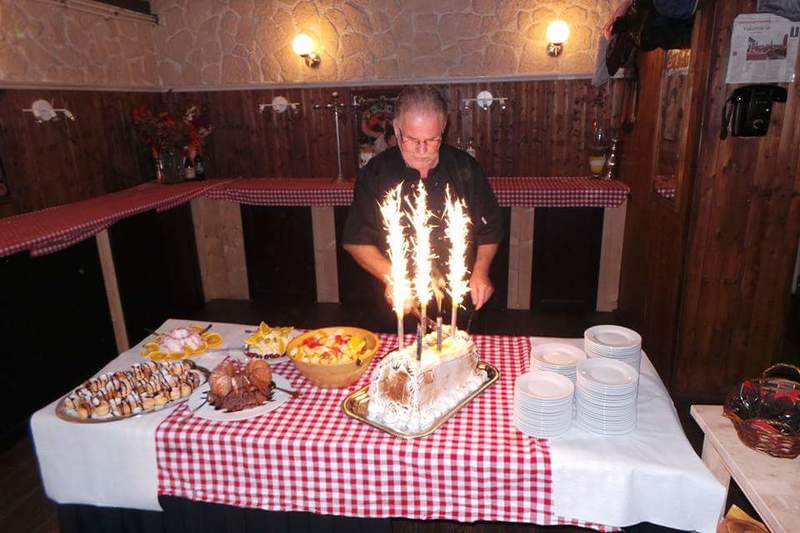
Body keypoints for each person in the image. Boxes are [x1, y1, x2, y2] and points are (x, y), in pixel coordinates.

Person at [342, 85, 503, 314]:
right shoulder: (375, 173)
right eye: (412, 139)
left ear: (443, 128)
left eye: (432, 139)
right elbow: (356, 241)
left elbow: (490, 230)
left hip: (459, 299)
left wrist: (481, 270)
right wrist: (394, 278)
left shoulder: (465, 168)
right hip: (398, 302)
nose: (422, 149)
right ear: (397, 129)